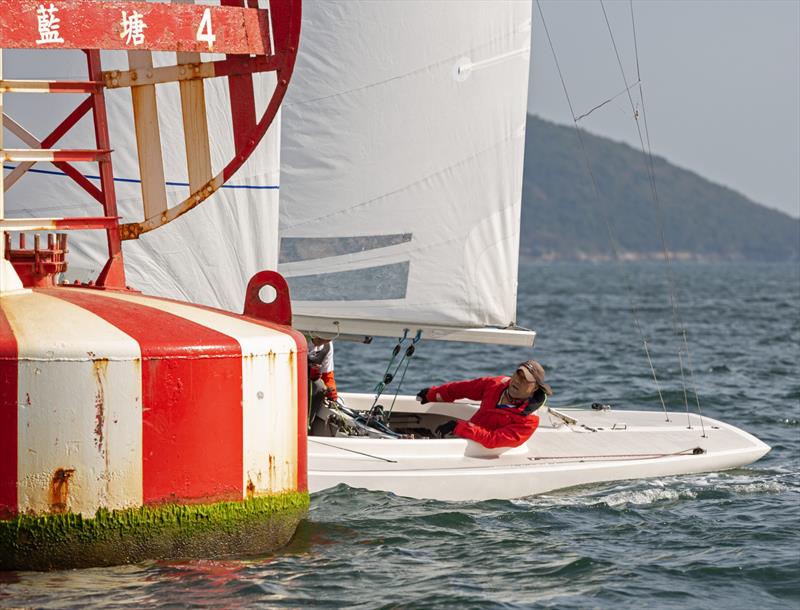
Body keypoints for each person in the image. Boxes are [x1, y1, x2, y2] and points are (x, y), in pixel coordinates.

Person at [416, 360, 553, 449]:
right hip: (466, 439)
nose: (517, 381)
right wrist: (434, 394)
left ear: (535, 388)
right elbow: (464, 388)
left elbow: (493, 439)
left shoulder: (528, 421)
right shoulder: (496, 384)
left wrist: (459, 427)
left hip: (484, 453)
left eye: (525, 380)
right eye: (518, 374)